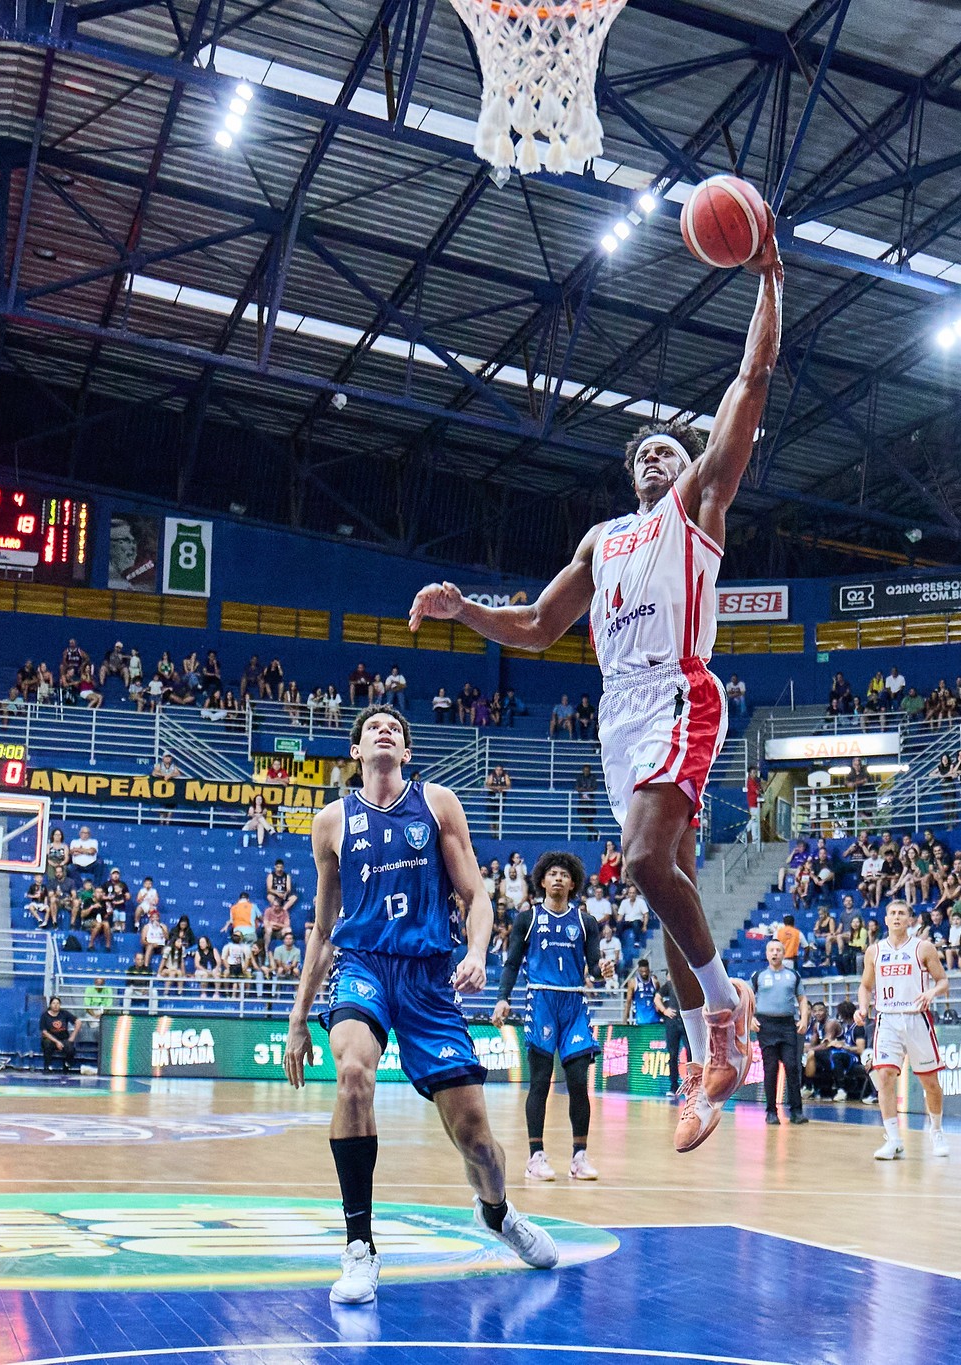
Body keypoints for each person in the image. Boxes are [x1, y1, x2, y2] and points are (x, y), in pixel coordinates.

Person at [408, 223, 781, 1156]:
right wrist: (465, 610)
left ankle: (725, 1021)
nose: (658, 458)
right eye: (645, 452)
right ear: (628, 472)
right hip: (620, 715)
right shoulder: (602, 540)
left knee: (645, 862)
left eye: (669, 449)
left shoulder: (698, 505)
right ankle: (703, 1063)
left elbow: (750, 381)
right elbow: (538, 625)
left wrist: (769, 277)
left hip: (680, 688)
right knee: (667, 892)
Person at [283, 704, 557, 1305]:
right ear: (356, 751)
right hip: (363, 967)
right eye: (373, 728)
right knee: (353, 1074)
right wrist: (298, 1017)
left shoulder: (437, 804)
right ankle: (360, 1248)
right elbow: (323, 928)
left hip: (430, 979)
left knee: (477, 1141)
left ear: (406, 751)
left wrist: (478, 952)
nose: (385, 731)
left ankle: (497, 1211)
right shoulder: (331, 823)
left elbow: (476, 897)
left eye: (395, 729)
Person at [493, 851, 603, 1184]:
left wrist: (603, 971)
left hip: (574, 1004)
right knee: (540, 1082)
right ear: (541, 880)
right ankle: (535, 1157)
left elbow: (595, 968)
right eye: (552, 874)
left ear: (573, 883)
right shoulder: (528, 919)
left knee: (578, 1083)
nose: (558, 879)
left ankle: (579, 1157)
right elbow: (512, 963)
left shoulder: (585, 922)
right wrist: (502, 999)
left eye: (564, 875)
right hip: (540, 1001)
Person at [856, 900, 951, 1161]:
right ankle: (893, 1140)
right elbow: (865, 986)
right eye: (892, 913)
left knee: (930, 1082)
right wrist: (862, 1008)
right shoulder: (875, 951)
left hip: (916, 1018)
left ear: (910, 920)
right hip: (887, 1018)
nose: (897, 917)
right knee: (884, 1075)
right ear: (886, 919)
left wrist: (932, 992)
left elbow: (943, 981)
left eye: (901, 913)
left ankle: (936, 1131)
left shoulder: (923, 947)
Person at [753, 939, 810, 1126]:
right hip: (766, 1025)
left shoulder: (793, 975)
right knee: (770, 1069)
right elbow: (746, 998)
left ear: (784, 954)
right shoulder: (758, 976)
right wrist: (749, 1018)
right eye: (771, 950)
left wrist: (804, 1019)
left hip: (787, 1025)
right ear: (766, 954)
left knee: (792, 1067)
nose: (775, 953)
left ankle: (797, 1112)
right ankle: (771, 1112)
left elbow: (802, 999)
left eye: (778, 950)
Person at [39, 995, 77, 1073]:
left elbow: (78, 1022)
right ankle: (47, 1066)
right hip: (51, 1039)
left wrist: (73, 1036)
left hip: (63, 1038)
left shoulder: (64, 1013)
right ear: (50, 1005)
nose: (56, 1005)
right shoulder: (45, 1016)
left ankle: (67, 1064)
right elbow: (44, 1032)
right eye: (54, 1003)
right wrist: (57, 1042)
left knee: (71, 1048)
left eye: (57, 1003)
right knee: (47, 1044)